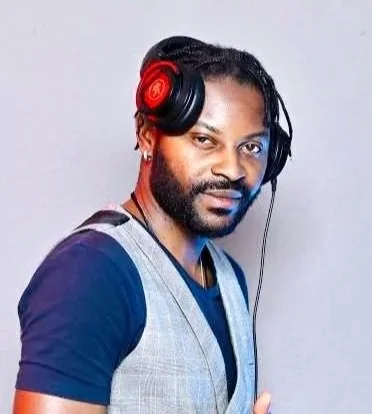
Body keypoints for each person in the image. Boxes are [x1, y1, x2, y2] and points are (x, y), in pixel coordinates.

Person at [13, 35, 292, 413]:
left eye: (251, 147)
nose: (232, 169)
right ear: (147, 136)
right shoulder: (90, 274)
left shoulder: (230, 279)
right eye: (204, 140)